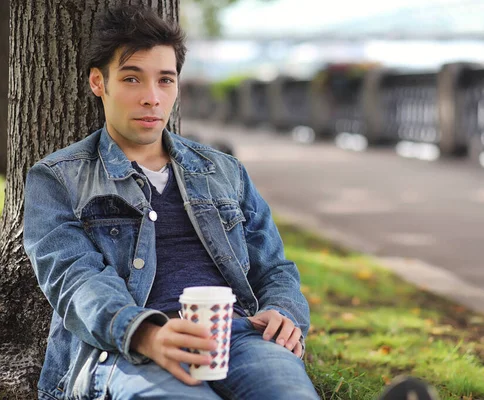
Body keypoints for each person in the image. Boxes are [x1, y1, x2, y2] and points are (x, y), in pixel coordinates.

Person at [23, 6, 318, 400]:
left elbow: (275, 267)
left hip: (237, 336)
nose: (151, 98)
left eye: (165, 80)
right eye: (132, 79)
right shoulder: (56, 178)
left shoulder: (223, 170)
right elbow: (75, 282)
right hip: (127, 349)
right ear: (99, 82)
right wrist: (146, 333)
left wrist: (285, 312)